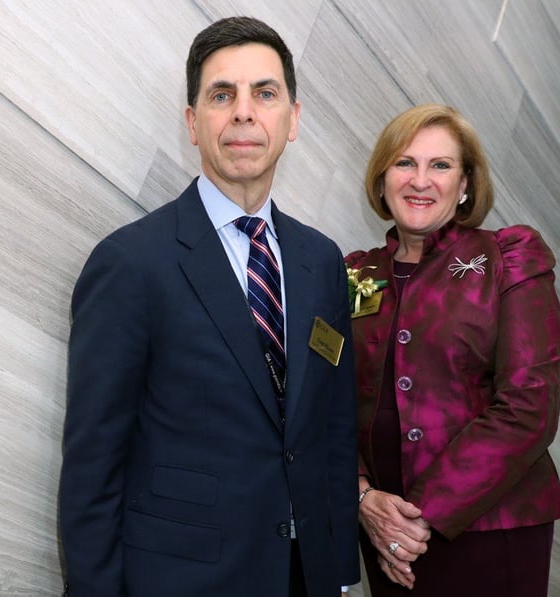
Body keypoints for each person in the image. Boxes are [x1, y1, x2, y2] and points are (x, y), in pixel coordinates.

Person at [58, 16, 359, 597]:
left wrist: (340, 574)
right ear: (194, 124)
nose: (244, 112)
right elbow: (93, 467)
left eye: (264, 93)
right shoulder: (131, 263)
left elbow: (333, 429)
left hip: (305, 576)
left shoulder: (321, 262)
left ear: (292, 120)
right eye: (223, 95)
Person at [345, 103, 560, 596]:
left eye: (440, 165)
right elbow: (320, 403)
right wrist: (363, 500)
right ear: (382, 181)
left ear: (465, 184)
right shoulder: (353, 274)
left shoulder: (509, 257)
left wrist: (418, 519)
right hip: (384, 534)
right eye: (404, 163)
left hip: (491, 532)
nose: (420, 180)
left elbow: (530, 405)